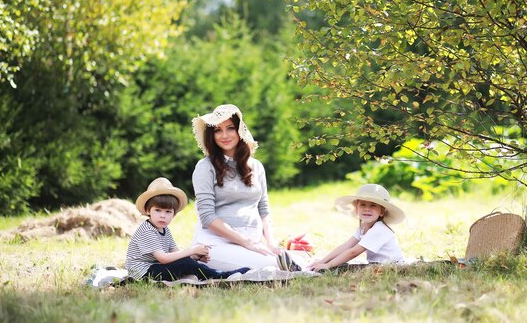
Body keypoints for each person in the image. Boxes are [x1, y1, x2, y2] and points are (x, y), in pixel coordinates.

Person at [191, 104, 299, 271]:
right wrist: (247, 243)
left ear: (240, 130)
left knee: (285, 258)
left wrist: (271, 243)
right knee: (274, 265)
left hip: (253, 243)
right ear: (211, 135)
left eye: (230, 128)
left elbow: (263, 209)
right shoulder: (205, 167)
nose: (224, 135)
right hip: (215, 244)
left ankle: (287, 262)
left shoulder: (256, 166)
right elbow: (207, 217)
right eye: (217, 130)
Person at [126, 177, 250, 281]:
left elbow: (176, 252)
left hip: (154, 266)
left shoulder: (164, 229)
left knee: (186, 261)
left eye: (168, 211)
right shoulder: (147, 230)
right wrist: (191, 250)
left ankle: (215, 272)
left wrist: (194, 256)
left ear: (174, 214)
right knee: (185, 263)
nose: (163, 215)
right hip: (143, 273)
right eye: (157, 210)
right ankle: (219, 276)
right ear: (148, 211)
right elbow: (163, 258)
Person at [309, 183, 406, 271]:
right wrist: (322, 261)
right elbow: (346, 246)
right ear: (357, 208)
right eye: (362, 205)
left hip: (391, 267)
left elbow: (354, 252)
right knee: (338, 266)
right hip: (377, 265)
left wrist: (328, 265)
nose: (367, 209)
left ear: (381, 211)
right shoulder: (363, 227)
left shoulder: (379, 229)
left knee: (340, 269)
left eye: (373, 206)